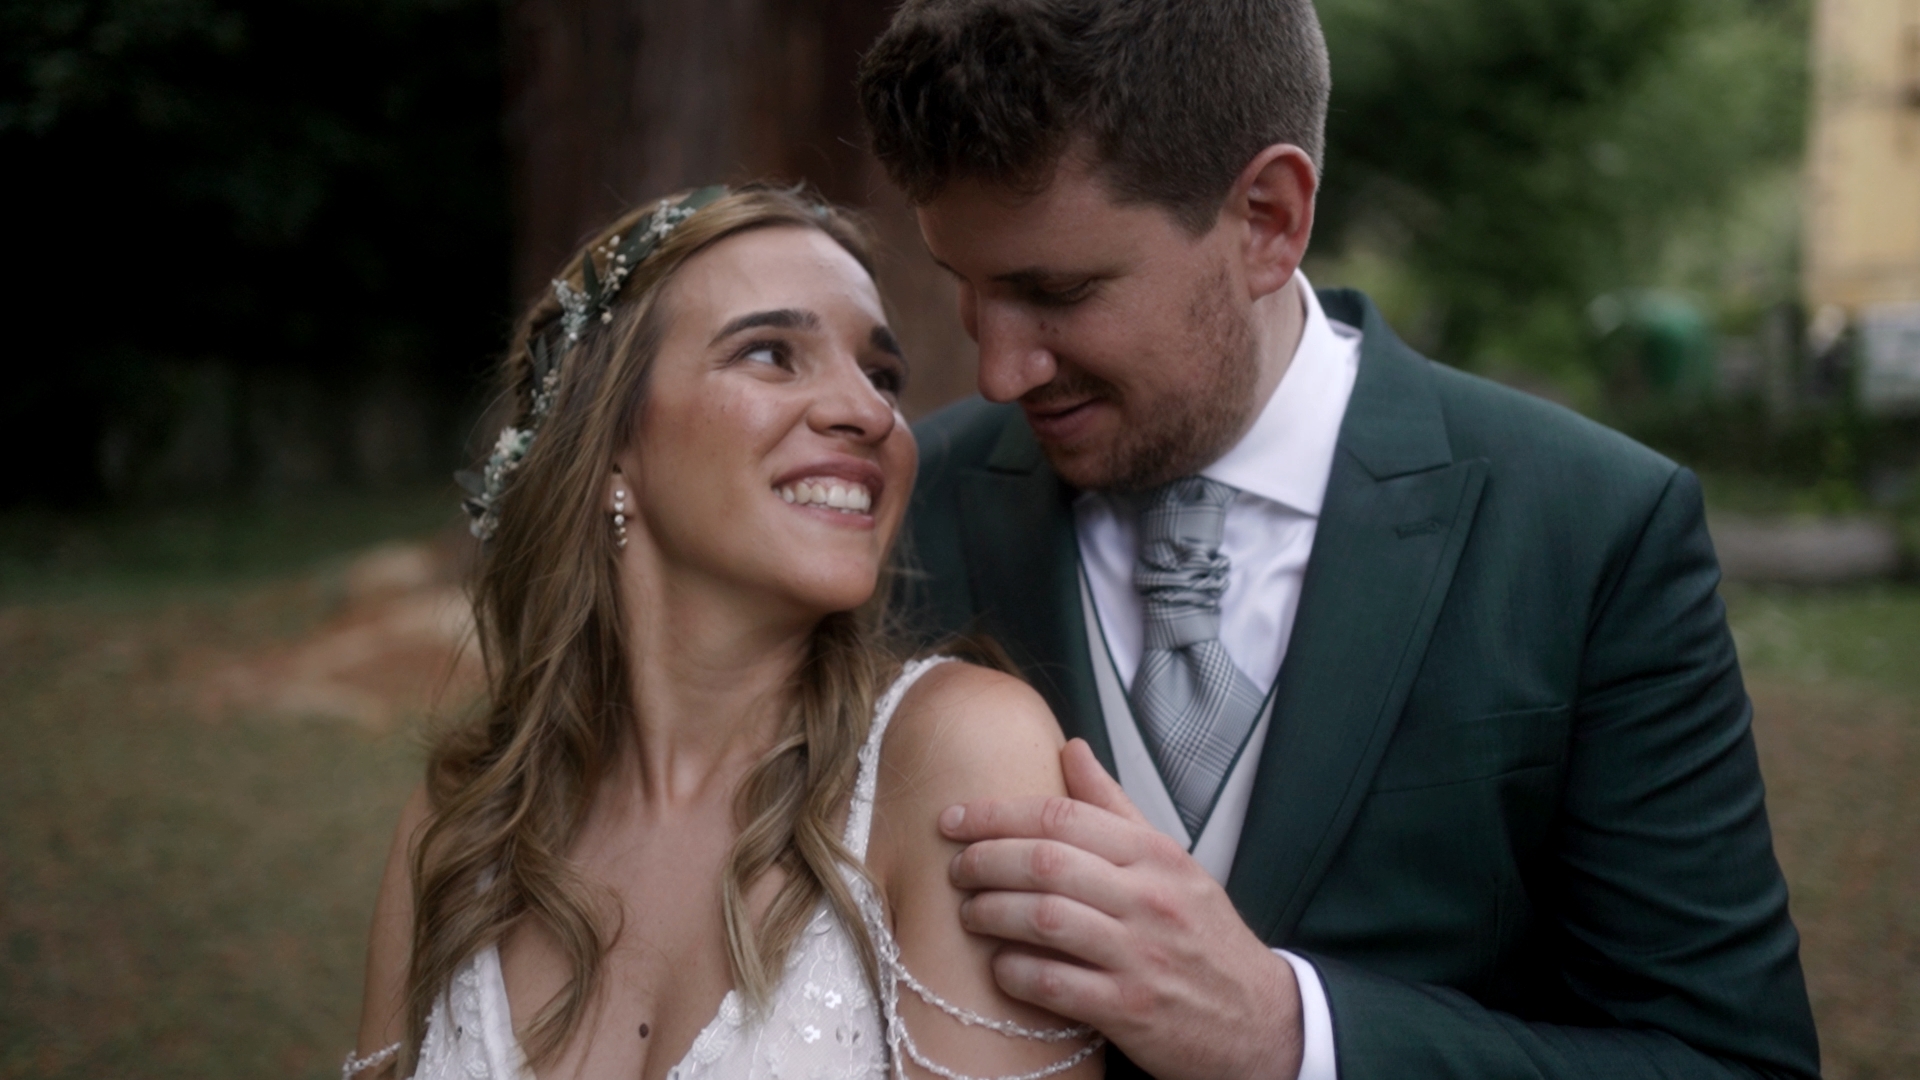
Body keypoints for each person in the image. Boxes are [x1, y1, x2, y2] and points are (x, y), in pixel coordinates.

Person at [856, 2, 1822, 1079]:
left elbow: (1731, 1061)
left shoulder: (1591, 529)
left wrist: (1291, 1033)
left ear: (1270, 217)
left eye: (1058, 294)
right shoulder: (897, 513)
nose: (999, 370)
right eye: (967, 291)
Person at [347, 186, 1103, 1080]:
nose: (867, 412)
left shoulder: (953, 760)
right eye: (772, 354)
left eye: (883, 376)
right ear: (610, 446)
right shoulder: (460, 828)